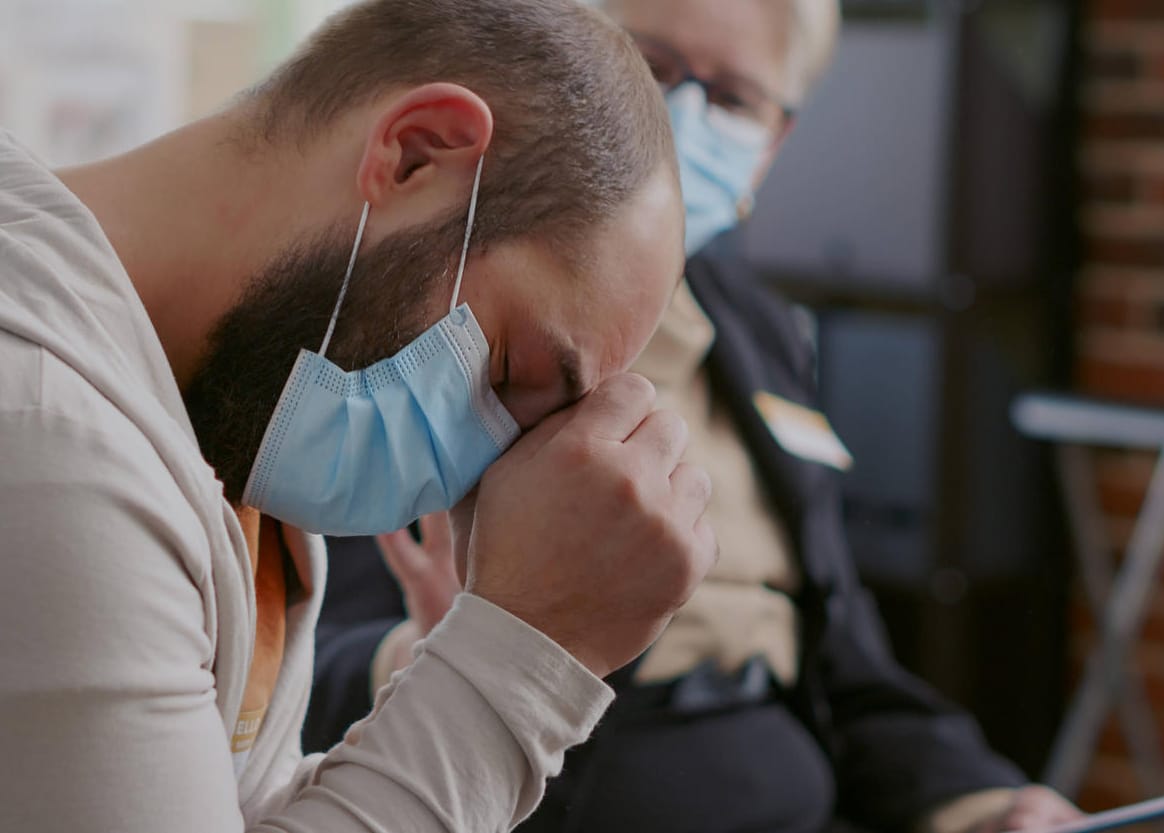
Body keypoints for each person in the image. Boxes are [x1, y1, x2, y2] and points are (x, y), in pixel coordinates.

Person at [306, 1, 1090, 832]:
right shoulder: (435, 314)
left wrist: (986, 804)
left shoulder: (755, 329)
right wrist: (436, 658)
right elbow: (290, 662)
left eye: (732, 99)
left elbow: (846, 666)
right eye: (649, 66)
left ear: (772, 145)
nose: (679, 118)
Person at [0, 1, 721, 830]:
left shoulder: (218, 430)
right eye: (511, 368)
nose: (488, 463)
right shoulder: (52, 430)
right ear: (418, 151)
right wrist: (522, 655)